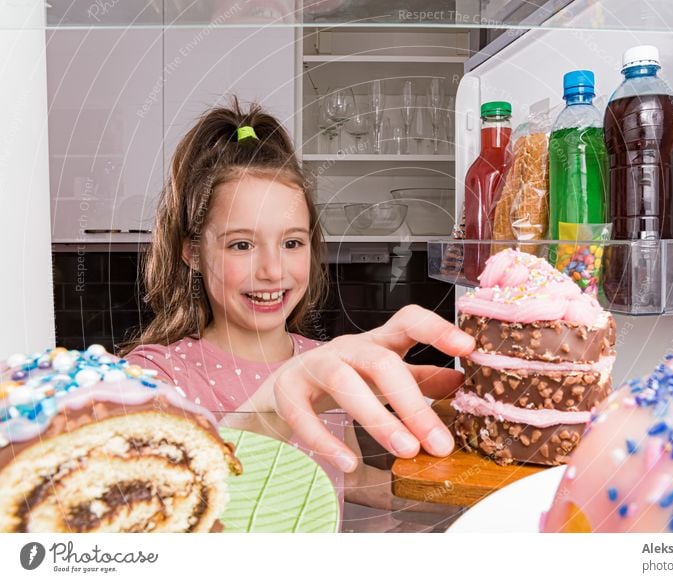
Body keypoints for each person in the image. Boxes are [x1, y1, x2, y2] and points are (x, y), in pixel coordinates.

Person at [119, 98, 473, 526]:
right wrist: (277, 403)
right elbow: (164, 517)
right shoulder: (154, 379)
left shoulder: (324, 366)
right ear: (193, 253)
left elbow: (352, 479)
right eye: (241, 245)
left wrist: (469, 502)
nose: (272, 271)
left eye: (291, 243)